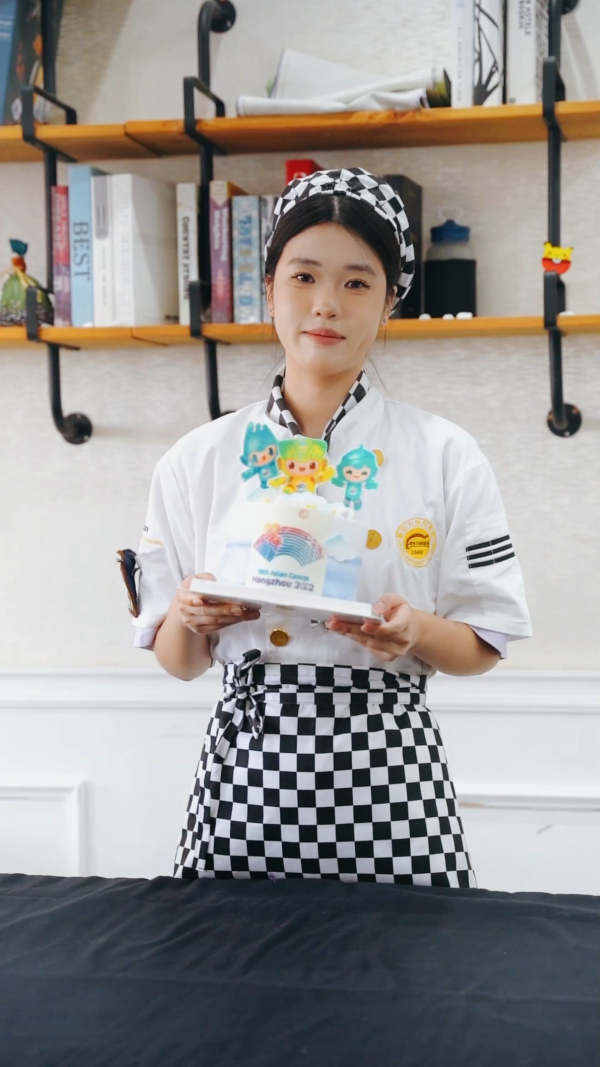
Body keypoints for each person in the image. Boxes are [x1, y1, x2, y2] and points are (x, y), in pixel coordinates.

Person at [129, 167, 532, 888]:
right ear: (269, 289)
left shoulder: (446, 454)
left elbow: (483, 642)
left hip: (393, 782)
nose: (326, 304)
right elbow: (179, 662)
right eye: (304, 276)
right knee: (232, 958)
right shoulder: (198, 459)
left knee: (409, 958)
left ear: (390, 303)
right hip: (245, 781)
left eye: (356, 282)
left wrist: (414, 630)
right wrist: (189, 614)